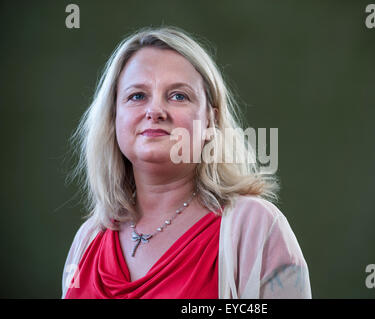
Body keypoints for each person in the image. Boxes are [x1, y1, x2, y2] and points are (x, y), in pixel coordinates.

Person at [62, 26, 312, 299]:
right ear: (113, 118)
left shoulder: (256, 226)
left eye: (179, 96)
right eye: (137, 96)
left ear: (210, 121)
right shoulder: (88, 241)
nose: (155, 111)